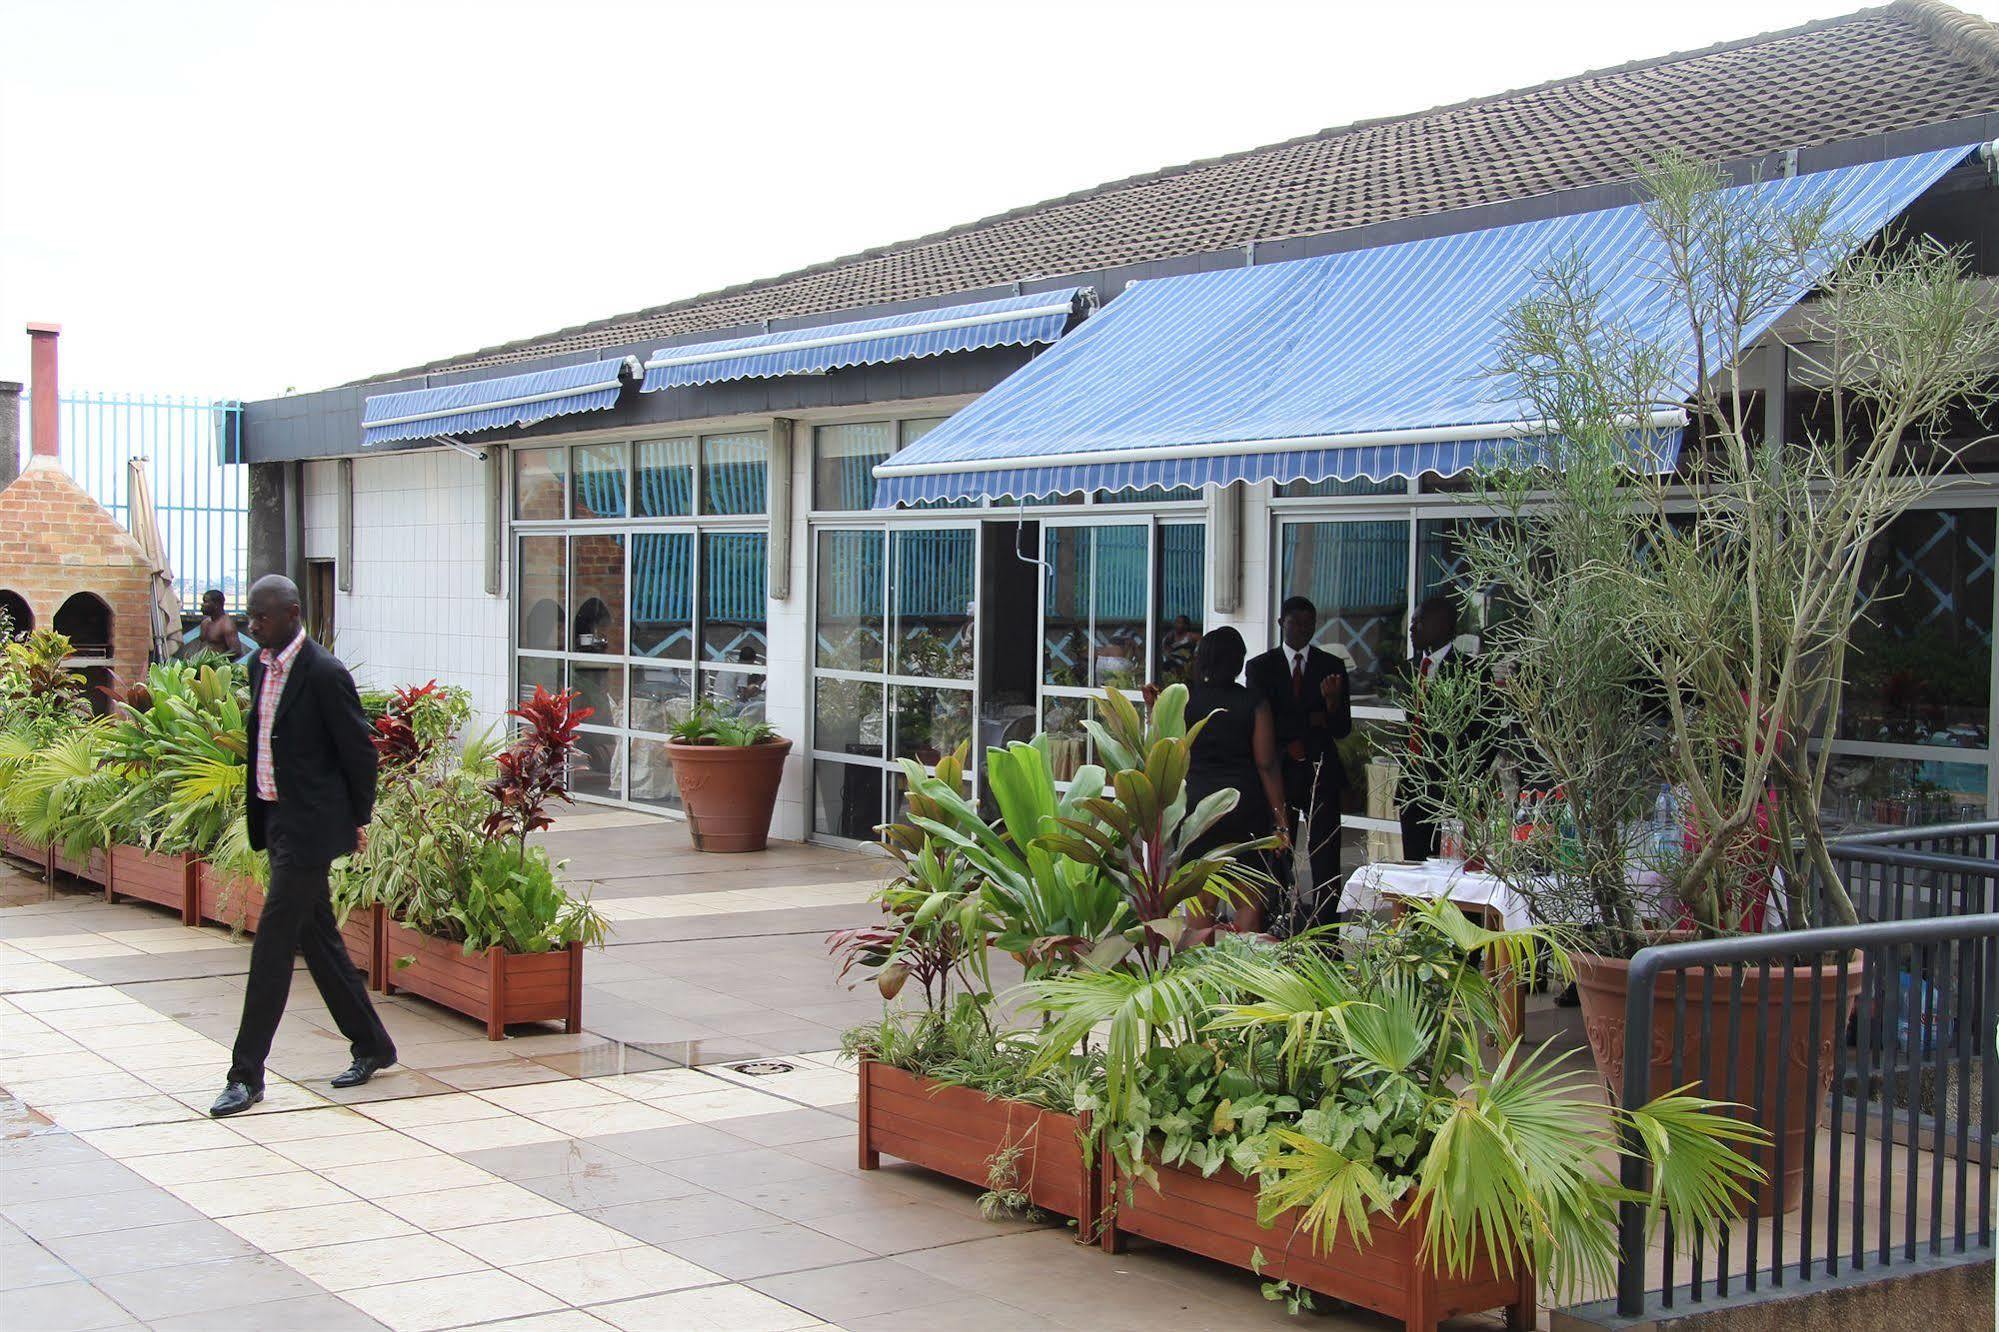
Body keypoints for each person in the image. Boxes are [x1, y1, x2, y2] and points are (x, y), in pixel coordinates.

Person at [210, 574, 396, 1118]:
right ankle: (373, 1045)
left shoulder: (324, 673)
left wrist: (356, 820)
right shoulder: (257, 666)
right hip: (278, 820)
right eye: (249, 616)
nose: (251, 625)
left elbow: (360, 755)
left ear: (292, 614)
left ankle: (246, 1074)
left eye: (260, 617)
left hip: (313, 828)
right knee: (317, 939)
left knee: (271, 943)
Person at [1245, 597, 1352, 915]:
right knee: (1278, 848)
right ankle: (1277, 917)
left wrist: (1330, 707)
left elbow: (1341, 727)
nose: (1303, 630)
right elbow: (1265, 720)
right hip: (1280, 770)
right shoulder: (1262, 667)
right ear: (1281, 624)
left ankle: (1326, 927)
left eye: (1310, 624)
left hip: (1320, 771)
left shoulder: (1331, 666)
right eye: (1296, 623)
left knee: (1326, 851)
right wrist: (1310, 721)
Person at [1178, 628, 1290, 933]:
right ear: (1238, 662)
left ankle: (1199, 978)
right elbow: (1266, 763)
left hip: (1198, 809)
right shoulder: (1253, 702)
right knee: (1248, 902)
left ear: (1202, 660)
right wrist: (1281, 820)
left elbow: (1171, 751)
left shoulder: (1186, 700)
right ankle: (1243, 976)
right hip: (1244, 808)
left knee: (1201, 904)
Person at [1398, 594, 1465, 862]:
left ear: (1442, 624)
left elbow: (1482, 733)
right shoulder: (1410, 669)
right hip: (1413, 789)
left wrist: (1461, 779)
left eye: (1419, 622)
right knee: (1413, 867)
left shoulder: (1468, 670)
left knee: (1447, 868)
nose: (1412, 629)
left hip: (1448, 790)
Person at [196, 589, 244, 658]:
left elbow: (236, 651)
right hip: (203, 665)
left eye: (205, 602)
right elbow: (203, 645)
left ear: (216, 604)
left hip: (220, 666)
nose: (202, 604)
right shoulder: (205, 623)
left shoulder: (226, 624)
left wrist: (215, 660)